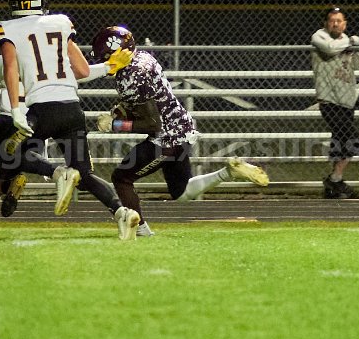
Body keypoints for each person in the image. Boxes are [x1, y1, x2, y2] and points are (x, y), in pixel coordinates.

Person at [0, 0, 139, 240]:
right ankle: (122, 212)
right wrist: (110, 66)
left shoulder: (7, 29)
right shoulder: (60, 23)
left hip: (41, 109)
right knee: (85, 174)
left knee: (11, 155)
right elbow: (82, 71)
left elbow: (10, 68)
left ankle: (58, 173)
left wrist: (17, 110)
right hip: (72, 109)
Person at [91, 26, 270, 237]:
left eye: (106, 56)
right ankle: (228, 172)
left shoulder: (129, 76)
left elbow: (151, 124)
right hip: (182, 128)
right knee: (181, 192)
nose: (103, 62)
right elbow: (148, 101)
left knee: (121, 178)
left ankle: (140, 229)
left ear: (119, 51)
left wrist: (115, 125)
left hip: (165, 138)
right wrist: (121, 110)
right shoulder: (142, 57)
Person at [0, 50, 61, 230]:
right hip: (35, 125)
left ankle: (11, 185)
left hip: (8, 123)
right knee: (3, 176)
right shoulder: (46, 58)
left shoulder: (4, 56)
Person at [310, 6, 359, 198]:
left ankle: (334, 185)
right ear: (326, 23)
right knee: (354, 139)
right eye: (332, 20)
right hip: (329, 100)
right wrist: (350, 42)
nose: (335, 24)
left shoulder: (347, 40)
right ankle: (334, 179)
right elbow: (330, 48)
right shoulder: (319, 36)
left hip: (347, 101)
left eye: (339, 21)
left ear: (345, 24)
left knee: (340, 142)